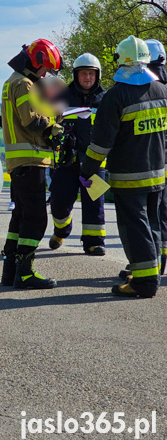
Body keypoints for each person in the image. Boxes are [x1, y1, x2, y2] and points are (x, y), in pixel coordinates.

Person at [81, 35, 167, 298]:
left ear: (120, 60)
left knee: (135, 227)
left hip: (129, 177)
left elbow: (101, 144)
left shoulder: (116, 95)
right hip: (158, 173)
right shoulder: (162, 90)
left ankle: (143, 283)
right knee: (153, 224)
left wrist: (87, 170)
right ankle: (150, 273)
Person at [0, 39, 64, 289]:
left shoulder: (14, 81)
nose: (45, 74)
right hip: (31, 160)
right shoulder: (23, 83)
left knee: (20, 216)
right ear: (35, 62)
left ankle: (11, 271)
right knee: (36, 218)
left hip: (21, 162)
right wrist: (54, 120)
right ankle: (25, 274)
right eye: (44, 68)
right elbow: (30, 120)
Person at [47, 54, 107, 256]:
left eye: (91, 74)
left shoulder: (105, 99)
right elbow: (47, 118)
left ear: (97, 76)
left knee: (95, 203)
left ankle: (94, 242)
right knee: (59, 201)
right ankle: (62, 228)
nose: (88, 77)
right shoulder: (63, 97)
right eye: (84, 74)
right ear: (76, 75)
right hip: (67, 162)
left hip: (95, 162)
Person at [146, 38, 167, 274]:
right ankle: (159, 263)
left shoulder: (150, 87)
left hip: (155, 162)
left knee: (156, 214)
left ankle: (154, 264)